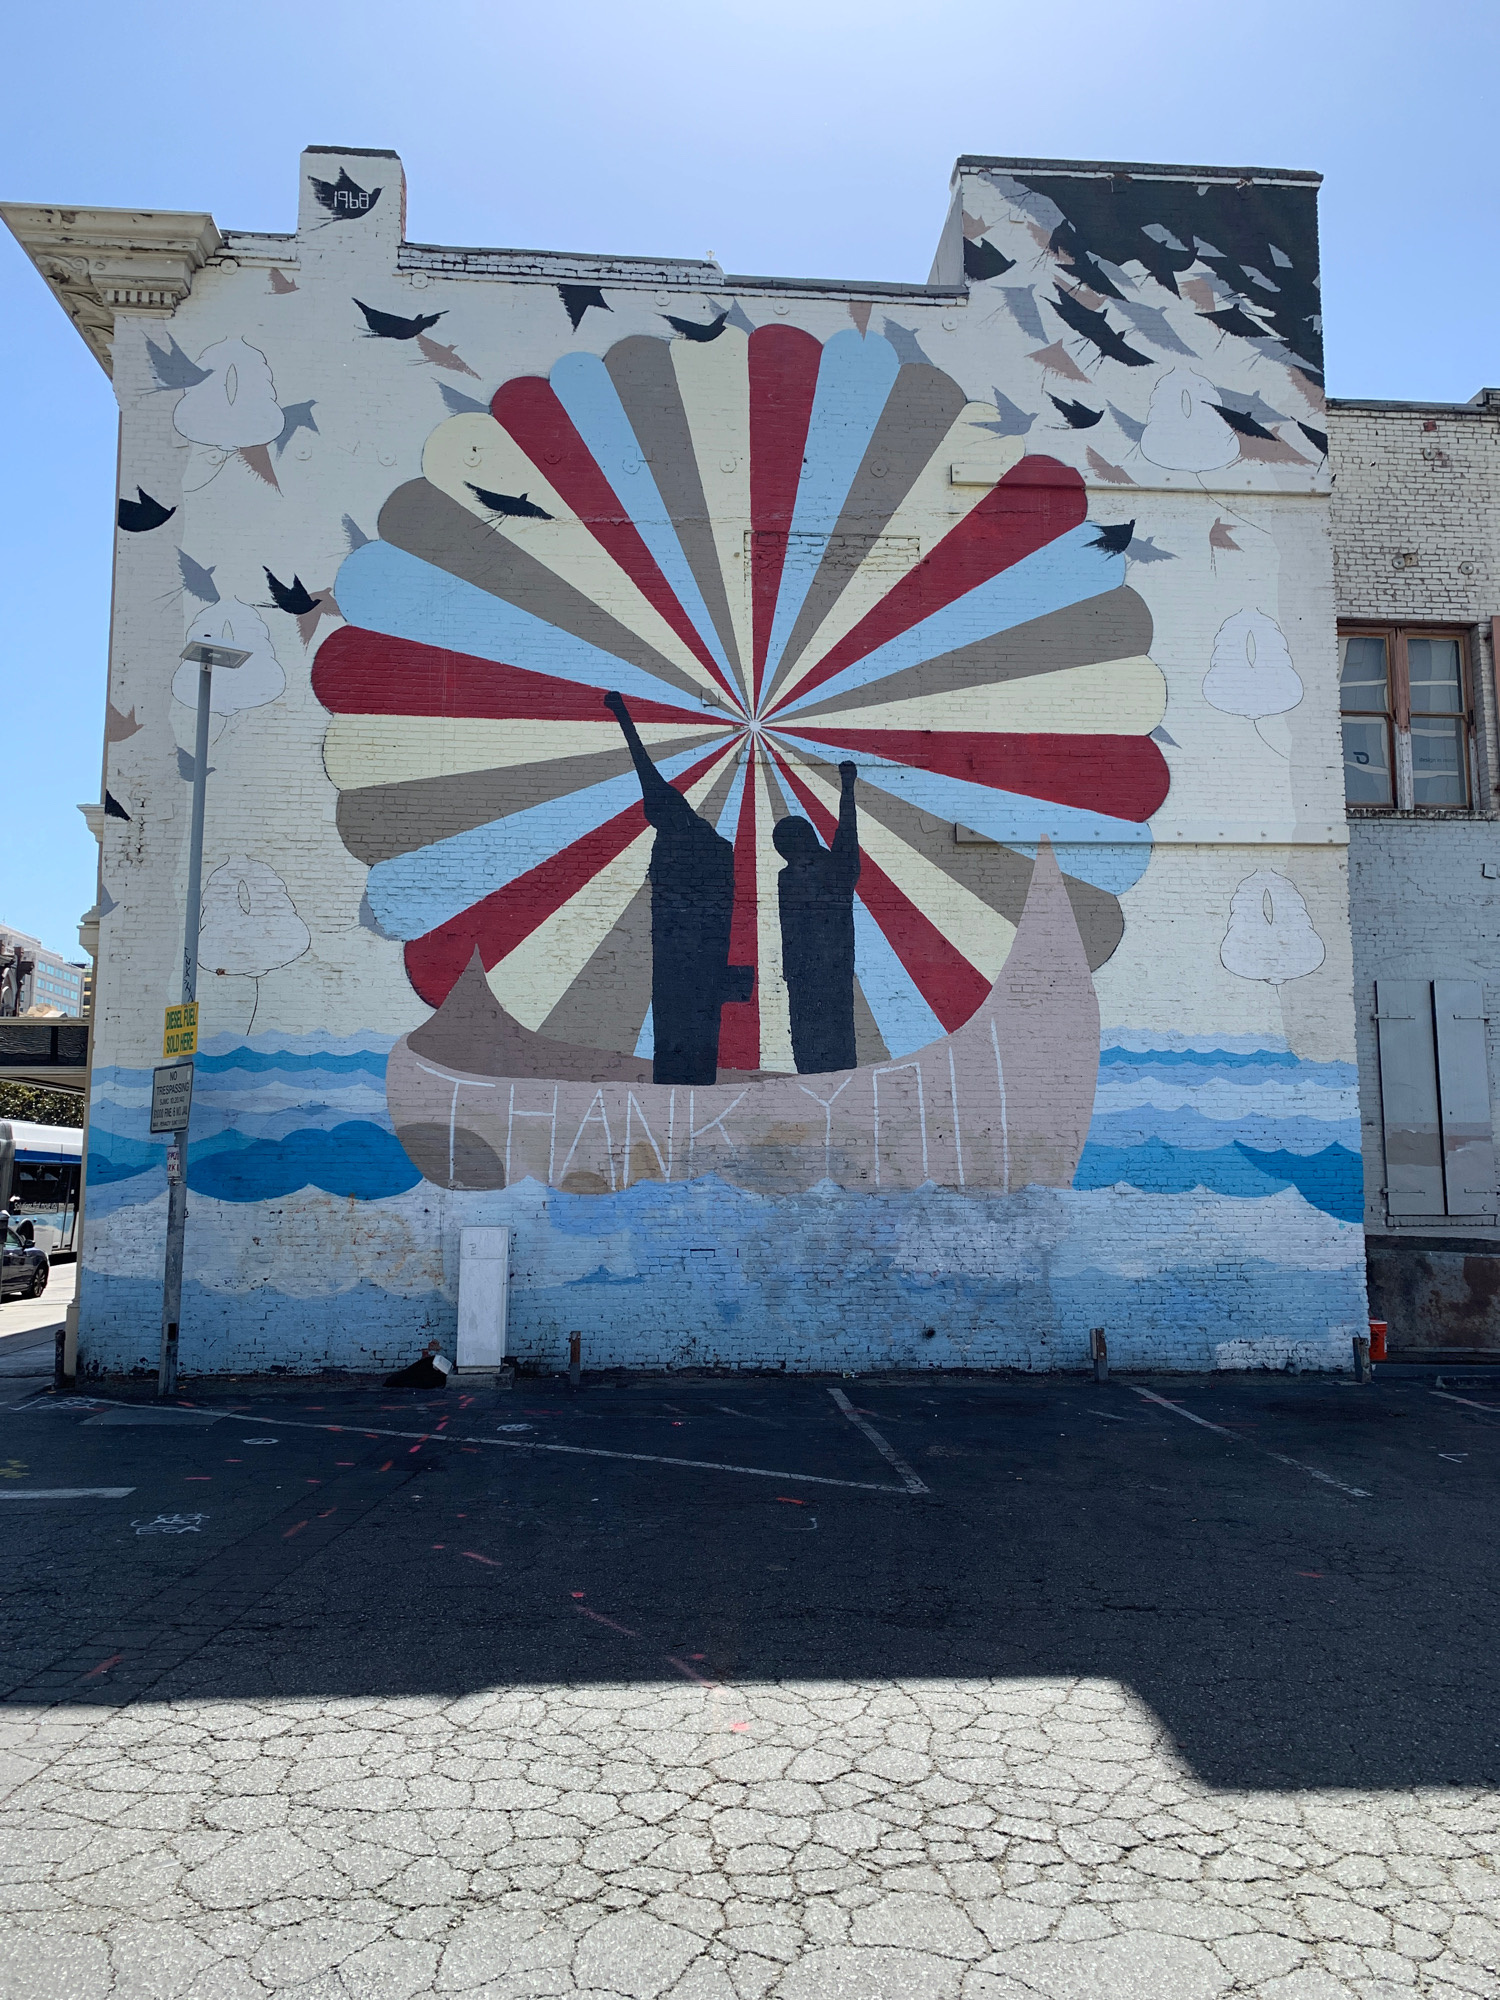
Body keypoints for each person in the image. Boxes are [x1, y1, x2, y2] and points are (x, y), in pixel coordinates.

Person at [604, 691, 753, 1085]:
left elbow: (646, 772)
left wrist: (622, 715)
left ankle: (686, 1076)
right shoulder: (701, 845)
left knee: (687, 1021)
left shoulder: (698, 845)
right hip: (682, 949)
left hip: (689, 948)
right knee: (679, 1021)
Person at [773, 761, 861, 1074]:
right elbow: (847, 834)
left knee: (815, 1048)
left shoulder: (796, 876)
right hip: (825, 972)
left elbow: (846, 833)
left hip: (813, 974)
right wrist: (848, 787)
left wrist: (848, 788)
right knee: (831, 1047)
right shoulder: (832, 871)